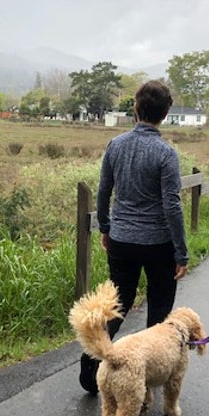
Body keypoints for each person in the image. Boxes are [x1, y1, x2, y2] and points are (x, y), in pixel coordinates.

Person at [79, 80, 189, 394]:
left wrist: (106, 227)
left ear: (136, 109)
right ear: (165, 115)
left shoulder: (116, 145)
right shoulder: (166, 154)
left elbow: (103, 191)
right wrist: (181, 252)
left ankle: (93, 362)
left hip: (122, 240)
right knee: (159, 307)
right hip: (159, 244)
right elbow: (172, 205)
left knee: (119, 303)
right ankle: (149, 372)